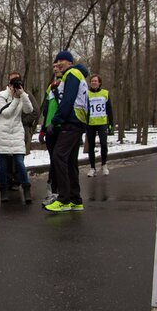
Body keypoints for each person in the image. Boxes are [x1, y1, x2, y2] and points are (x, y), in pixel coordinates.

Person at [43, 50, 89, 213]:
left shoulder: (72, 73)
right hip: (77, 121)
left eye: (61, 61)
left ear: (69, 62)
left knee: (58, 156)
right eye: (55, 62)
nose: (57, 64)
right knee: (70, 161)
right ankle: (76, 199)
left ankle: (63, 199)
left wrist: (56, 121)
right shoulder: (70, 76)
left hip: (72, 121)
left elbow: (68, 100)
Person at [0, 72, 34, 204]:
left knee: (20, 163)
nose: (14, 88)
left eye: (17, 85)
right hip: (2, 133)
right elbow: (6, 113)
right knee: (3, 165)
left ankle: (26, 188)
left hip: (16, 132)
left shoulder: (22, 95)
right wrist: (15, 99)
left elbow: (29, 110)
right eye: (12, 85)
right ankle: (3, 191)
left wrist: (23, 95)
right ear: (8, 85)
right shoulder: (2, 95)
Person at [39, 63, 62, 205]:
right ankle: (53, 190)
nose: (55, 69)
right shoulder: (51, 87)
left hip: (62, 127)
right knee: (53, 159)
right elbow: (46, 110)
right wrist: (43, 129)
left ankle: (60, 191)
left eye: (58, 67)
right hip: (49, 128)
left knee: (59, 160)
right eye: (54, 68)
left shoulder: (68, 84)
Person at [85, 74, 113, 177]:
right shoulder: (87, 94)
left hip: (102, 123)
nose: (94, 83)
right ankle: (92, 168)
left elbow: (109, 109)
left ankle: (104, 164)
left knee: (104, 144)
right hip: (90, 124)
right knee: (91, 146)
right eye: (92, 81)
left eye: (96, 81)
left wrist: (111, 124)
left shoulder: (105, 93)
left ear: (99, 83)